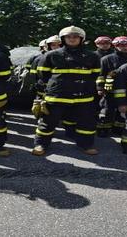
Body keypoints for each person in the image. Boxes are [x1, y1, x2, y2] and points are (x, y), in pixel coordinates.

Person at [32, 26, 101, 156]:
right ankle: (41, 144)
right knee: (48, 122)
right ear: (63, 39)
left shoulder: (92, 56)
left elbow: (95, 75)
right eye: (68, 37)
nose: (72, 39)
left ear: (81, 39)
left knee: (86, 122)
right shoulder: (52, 55)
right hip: (57, 96)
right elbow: (43, 75)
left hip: (83, 97)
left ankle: (86, 145)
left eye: (75, 37)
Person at [97, 36, 127, 137]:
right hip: (110, 89)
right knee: (107, 109)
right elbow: (101, 75)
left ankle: (118, 127)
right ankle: (103, 128)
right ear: (115, 46)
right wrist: (100, 88)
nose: (124, 47)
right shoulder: (107, 59)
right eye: (121, 45)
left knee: (123, 110)